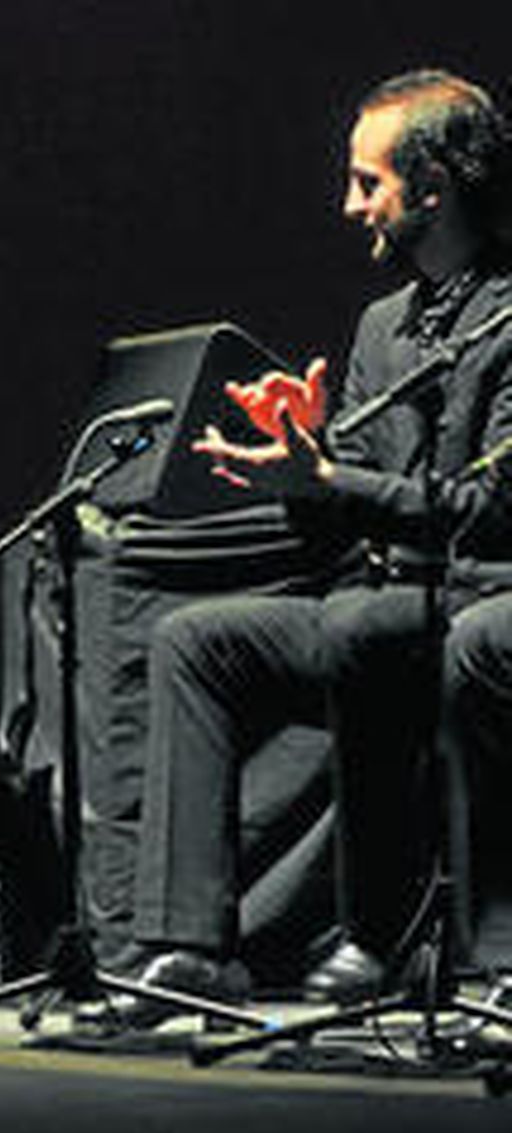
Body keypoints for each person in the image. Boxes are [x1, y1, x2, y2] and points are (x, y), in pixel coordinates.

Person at [119, 69, 512, 1025]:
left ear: (434, 186)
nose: (349, 205)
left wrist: (332, 478)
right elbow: (357, 517)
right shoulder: (384, 323)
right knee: (198, 640)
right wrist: (300, 465)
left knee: (455, 641)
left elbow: (491, 512)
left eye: (366, 182)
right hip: (398, 596)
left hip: (491, 592)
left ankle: (487, 953)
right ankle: (192, 945)